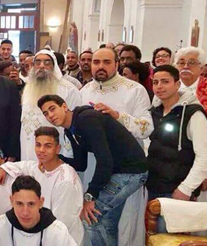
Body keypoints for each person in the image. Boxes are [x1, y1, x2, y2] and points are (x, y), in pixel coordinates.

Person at [38, 94, 148, 245]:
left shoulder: (86, 120)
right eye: (45, 113)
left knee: (91, 218)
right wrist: (54, 159)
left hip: (131, 171)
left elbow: (105, 161)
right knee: (106, 221)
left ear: (64, 106)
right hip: (119, 172)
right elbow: (80, 164)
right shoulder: (71, 130)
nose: (50, 115)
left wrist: (90, 196)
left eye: (52, 109)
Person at [80, 47, 153, 245]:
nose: (100, 67)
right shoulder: (85, 90)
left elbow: (147, 128)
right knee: (95, 218)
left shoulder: (134, 90)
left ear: (117, 64)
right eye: (96, 62)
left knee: (118, 221)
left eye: (106, 62)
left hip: (125, 168)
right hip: (95, 166)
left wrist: (117, 116)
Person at [0, 127, 84, 245]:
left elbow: (61, 224)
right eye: (38, 145)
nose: (41, 150)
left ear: (58, 149)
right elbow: (22, 166)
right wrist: (3, 168)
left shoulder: (65, 180)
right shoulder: (39, 168)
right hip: (41, 235)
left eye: (47, 146)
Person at [147, 65, 207, 205]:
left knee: (168, 227)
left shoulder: (193, 114)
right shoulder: (154, 111)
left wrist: (186, 188)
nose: (159, 86)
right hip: (153, 186)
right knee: (152, 228)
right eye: (155, 82)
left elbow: (204, 157)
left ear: (177, 84)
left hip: (177, 190)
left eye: (165, 82)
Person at [174, 47, 207, 202]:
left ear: (201, 66)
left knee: (195, 216)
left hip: (201, 159)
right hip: (169, 161)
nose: (185, 66)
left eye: (192, 63)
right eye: (181, 62)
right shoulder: (168, 85)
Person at [20, 49, 81, 161]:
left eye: (47, 62)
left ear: (54, 66)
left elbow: (75, 123)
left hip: (56, 147)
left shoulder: (68, 89)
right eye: (37, 62)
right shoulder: (29, 87)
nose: (42, 66)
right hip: (28, 145)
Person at [0, 176, 77, 246]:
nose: (25, 212)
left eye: (31, 204)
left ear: (41, 202)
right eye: (19, 204)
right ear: (11, 201)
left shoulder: (57, 233)